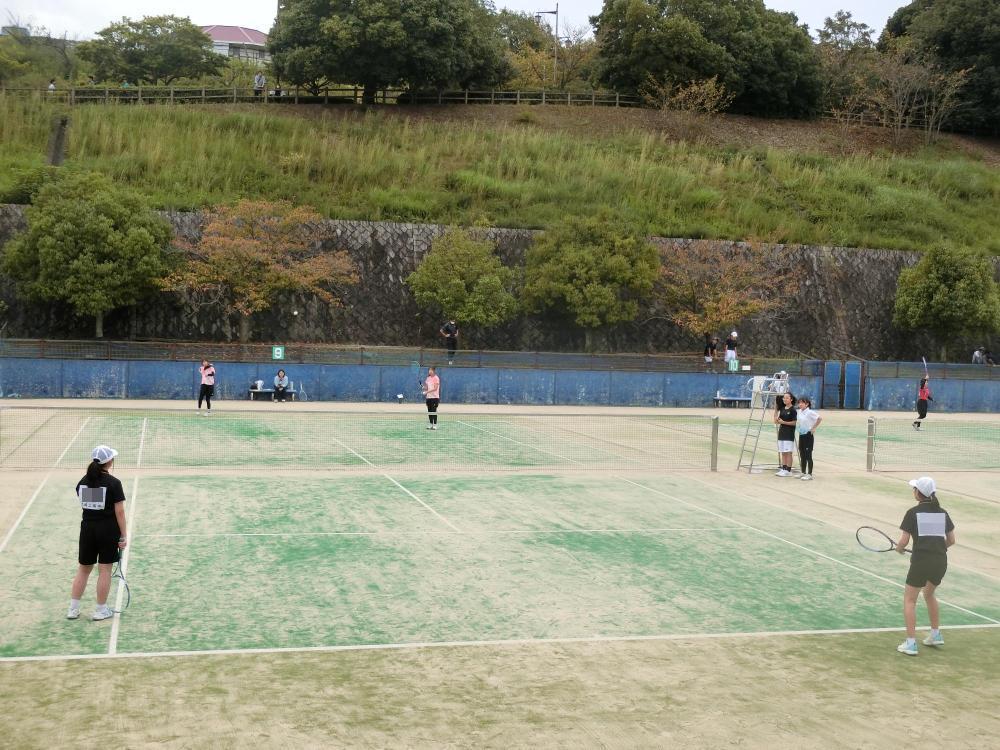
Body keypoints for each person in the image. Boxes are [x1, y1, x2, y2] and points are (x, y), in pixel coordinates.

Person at [895, 476, 955, 656]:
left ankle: (911, 643)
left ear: (918, 493)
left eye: (914, 489)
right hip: (940, 562)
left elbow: (904, 541)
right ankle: (935, 634)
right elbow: (951, 540)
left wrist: (899, 548)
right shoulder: (942, 512)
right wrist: (935, 550)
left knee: (909, 600)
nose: (913, 491)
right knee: (929, 593)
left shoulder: (912, 513)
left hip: (921, 562)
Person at [67, 445, 127, 621]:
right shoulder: (114, 483)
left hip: (87, 530)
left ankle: (73, 609)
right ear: (109, 462)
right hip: (107, 531)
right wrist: (123, 535)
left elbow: (89, 505)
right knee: (105, 570)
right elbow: (120, 512)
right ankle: (100, 610)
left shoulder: (82, 482)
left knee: (84, 569)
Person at [796, 396, 822, 481]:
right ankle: (803, 472)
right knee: (802, 454)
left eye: (802, 403)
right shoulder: (799, 411)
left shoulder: (810, 412)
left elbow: (819, 418)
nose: (800, 404)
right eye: (799, 402)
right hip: (801, 434)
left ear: (807, 404)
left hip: (808, 435)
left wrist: (814, 428)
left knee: (808, 455)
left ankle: (809, 474)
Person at [773, 391, 797, 477]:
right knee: (783, 452)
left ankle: (788, 470)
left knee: (788, 452)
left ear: (791, 399)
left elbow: (794, 423)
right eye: (784, 398)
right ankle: (783, 469)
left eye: (787, 398)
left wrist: (784, 422)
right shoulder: (782, 409)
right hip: (781, 433)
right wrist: (776, 411)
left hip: (789, 434)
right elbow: (776, 421)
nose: (785, 399)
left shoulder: (793, 410)